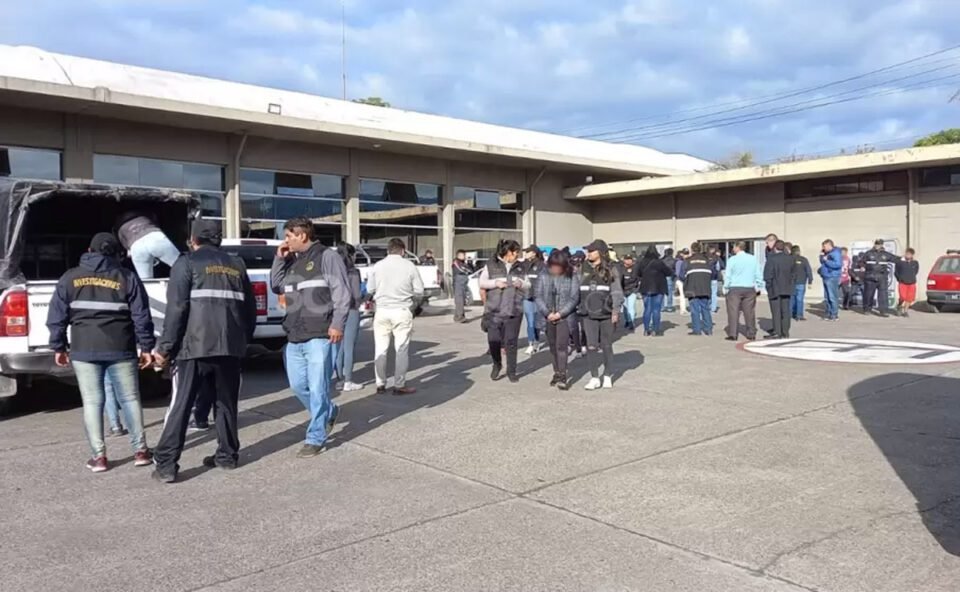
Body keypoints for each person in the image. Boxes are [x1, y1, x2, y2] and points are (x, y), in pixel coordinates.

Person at [151, 220, 257, 482]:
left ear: (193, 240)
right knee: (226, 403)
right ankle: (227, 456)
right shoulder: (237, 265)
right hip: (230, 347)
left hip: (193, 347)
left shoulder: (185, 263)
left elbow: (177, 310)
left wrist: (164, 349)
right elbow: (249, 311)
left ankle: (166, 464)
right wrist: (242, 341)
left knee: (182, 405)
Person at [47, 232, 156, 473]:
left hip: (84, 350)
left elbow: (57, 316)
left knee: (92, 402)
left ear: (89, 249)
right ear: (116, 253)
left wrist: (58, 346)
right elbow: (141, 315)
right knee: (130, 399)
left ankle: (99, 458)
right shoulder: (127, 277)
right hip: (121, 348)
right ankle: (141, 452)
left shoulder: (70, 278)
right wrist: (146, 346)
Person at [269, 217, 351, 458]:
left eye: (288, 237)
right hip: (295, 334)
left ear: (302, 235)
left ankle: (315, 436)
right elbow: (276, 286)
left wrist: (337, 324)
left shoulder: (327, 257)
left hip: (320, 334)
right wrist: (279, 258)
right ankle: (329, 411)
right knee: (298, 386)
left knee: (318, 388)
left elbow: (341, 293)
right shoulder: (292, 262)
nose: (286, 241)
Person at [367, 238, 424, 395]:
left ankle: (380, 384)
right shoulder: (409, 266)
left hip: (382, 311)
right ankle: (399, 385)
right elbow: (419, 291)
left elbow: (370, 289)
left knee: (380, 349)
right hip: (402, 310)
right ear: (403, 251)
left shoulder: (377, 266)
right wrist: (414, 304)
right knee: (401, 349)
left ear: (388, 250)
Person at [479, 239, 528, 382]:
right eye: (516, 252)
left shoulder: (521, 267)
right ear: (509, 252)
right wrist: (495, 283)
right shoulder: (491, 265)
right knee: (493, 340)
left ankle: (512, 370)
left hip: (514, 309)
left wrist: (521, 283)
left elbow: (528, 284)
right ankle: (497, 364)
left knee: (511, 342)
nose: (517, 255)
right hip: (494, 310)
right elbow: (481, 282)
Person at [578, 240, 623, 390]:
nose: (588, 253)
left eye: (591, 250)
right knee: (591, 346)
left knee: (606, 345)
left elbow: (617, 291)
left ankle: (608, 375)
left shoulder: (611, 269)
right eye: (587, 250)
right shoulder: (582, 269)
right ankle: (594, 377)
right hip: (587, 314)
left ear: (600, 252)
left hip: (606, 314)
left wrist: (615, 310)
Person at [535, 249, 580, 390]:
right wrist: (547, 313)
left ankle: (562, 374)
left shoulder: (572, 276)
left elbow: (574, 298)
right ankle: (556, 371)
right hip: (548, 316)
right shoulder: (543, 275)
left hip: (564, 317)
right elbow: (538, 296)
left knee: (562, 346)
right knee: (553, 347)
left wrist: (561, 313)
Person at [114, 211, 182, 279]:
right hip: (155, 238)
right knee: (184, 267)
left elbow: (128, 252)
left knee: (146, 281)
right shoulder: (146, 217)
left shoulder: (120, 229)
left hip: (136, 246)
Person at [332, 243, 363, 391]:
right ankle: (348, 380)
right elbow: (356, 294)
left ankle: (339, 379)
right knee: (349, 346)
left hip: (336, 310)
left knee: (338, 347)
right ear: (351, 255)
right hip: (351, 309)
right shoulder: (353, 272)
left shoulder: (333, 271)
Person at [723, 241, 762, 341]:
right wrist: (758, 285)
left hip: (735, 288)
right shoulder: (753, 259)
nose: (732, 249)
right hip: (749, 287)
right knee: (749, 312)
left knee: (733, 311)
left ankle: (733, 334)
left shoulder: (732, 259)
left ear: (737, 247)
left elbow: (728, 275)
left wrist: (726, 287)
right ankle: (751, 333)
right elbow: (758, 273)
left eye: (733, 247)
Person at [638, 245, 673, 337]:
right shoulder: (659, 262)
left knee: (647, 309)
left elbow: (638, 273)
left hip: (645, 287)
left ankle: (646, 330)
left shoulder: (642, 262)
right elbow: (668, 272)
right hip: (659, 287)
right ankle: (655, 330)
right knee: (656, 309)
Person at [682, 243, 715, 336]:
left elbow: (681, 274)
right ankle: (708, 329)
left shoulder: (687, 261)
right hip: (705, 288)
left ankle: (697, 330)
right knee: (705, 309)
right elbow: (714, 274)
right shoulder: (707, 260)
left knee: (695, 310)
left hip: (692, 288)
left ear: (692, 250)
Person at [764, 240, 795, 339]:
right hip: (787, 288)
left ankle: (777, 331)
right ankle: (785, 332)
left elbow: (767, 275)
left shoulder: (771, 259)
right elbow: (794, 274)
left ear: (775, 248)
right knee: (785, 311)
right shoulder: (790, 259)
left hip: (775, 288)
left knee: (776, 311)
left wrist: (768, 286)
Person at [860, 239, 897, 316]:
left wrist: (904, 259)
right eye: (877, 244)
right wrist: (862, 266)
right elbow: (861, 262)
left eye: (879, 244)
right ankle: (867, 309)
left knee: (883, 295)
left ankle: (884, 311)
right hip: (870, 276)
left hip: (882, 277)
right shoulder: (868, 253)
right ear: (874, 244)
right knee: (868, 294)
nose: (878, 246)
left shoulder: (886, 254)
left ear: (882, 245)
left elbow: (896, 259)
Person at [521, 245, 545, 354]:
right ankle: (531, 343)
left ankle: (537, 341)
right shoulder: (523, 265)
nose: (526, 253)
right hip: (526, 296)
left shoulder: (541, 265)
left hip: (538, 297)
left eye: (528, 252)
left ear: (534, 253)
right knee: (529, 320)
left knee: (537, 321)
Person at [818, 239, 843, 321]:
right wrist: (821, 256)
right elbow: (822, 262)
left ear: (829, 245)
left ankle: (834, 314)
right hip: (826, 276)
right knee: (827, 296)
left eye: (824, 246)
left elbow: (838, 264)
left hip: (832, 276)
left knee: (832, 296)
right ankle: (828, 312)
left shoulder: (835, 253)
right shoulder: (826, 253)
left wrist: (827, 261)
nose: (823, 248)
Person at [790, 245, 814, 321]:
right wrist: (810, 281)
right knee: (799, 299)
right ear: (799, 251)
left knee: (791, 299)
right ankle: (799, 315)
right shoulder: (804, 260)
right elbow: (808, 270)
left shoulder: (789, 259)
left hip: (791, 282)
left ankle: (790, 314)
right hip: (801, 282)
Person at [895, 248, 920, 317]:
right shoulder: (900, 262)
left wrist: (911, 277)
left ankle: (905, 311)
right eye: (907, 254)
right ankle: (899, 306)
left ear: (912, 255)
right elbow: (896, 272)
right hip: (903, 283)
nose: (908, 255)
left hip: (911, 283)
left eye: (909, 254)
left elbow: (916, 271)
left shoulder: (915, 263)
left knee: (909, 298)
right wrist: (900, 278)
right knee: (902, 297)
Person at [619, 253, 640, 331]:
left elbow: (636, 278)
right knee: (625, 308)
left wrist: (636, 288)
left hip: (632, 290)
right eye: (626, 259)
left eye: (629, 259)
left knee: (631, 306)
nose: (628, 261)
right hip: (623, 290)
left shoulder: (635, 268)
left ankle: (631, 321)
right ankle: (627, 320)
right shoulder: (620, 268)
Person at [451, 249, 472, 323]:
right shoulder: (456, 262)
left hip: (464, 283)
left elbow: (470, 270)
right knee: (459, 299)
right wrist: (467, 270)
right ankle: (460, 316)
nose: (465, 257)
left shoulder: (464, 263)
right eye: (463, 255)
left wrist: (470, 263)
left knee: (462, 299)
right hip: (458, 282)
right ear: (459, 255)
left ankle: (457, 316)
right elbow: (461, 270)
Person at [708, 246, 725, 313]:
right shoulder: (717, 258)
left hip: (707, 277)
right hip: (714, 277)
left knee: (708, 293)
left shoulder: (706, 257)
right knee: (714, 293)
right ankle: (713, 308)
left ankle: (708, 306)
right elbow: (721, 266)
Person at [661, 248, 676, 313]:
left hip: (662, 277)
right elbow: (675, 270)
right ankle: (669, 306)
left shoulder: (662, 260)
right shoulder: (674, 260)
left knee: (662, 293)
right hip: (669, 277)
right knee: (669, 293)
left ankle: (662, 307)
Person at [674, 249, 689, 314]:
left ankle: (683, 308)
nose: (686, 255)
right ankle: (683, 309)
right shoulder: (680, 262)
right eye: (685, 254)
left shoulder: (681, 261)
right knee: (682, 295)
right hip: (680, 280)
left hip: (680, 279)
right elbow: (677, 273)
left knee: (683, 294)